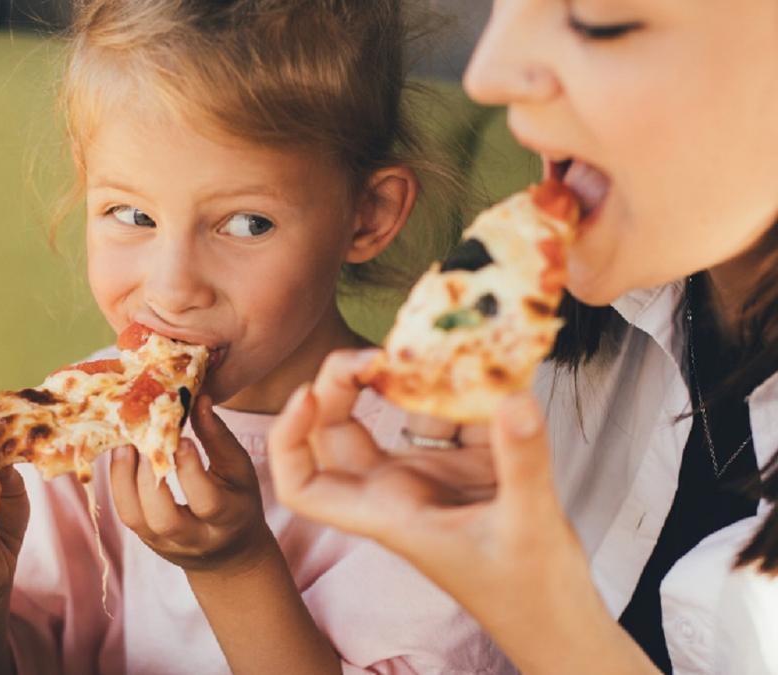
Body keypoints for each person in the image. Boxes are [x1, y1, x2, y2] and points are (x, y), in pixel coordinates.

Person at [0, 1, 516, 673]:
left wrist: (237, 566)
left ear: (366, 216)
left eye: (247, 223)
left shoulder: (438, 466)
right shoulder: (79, 441)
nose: (172, 288)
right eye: (131, 213)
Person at [268, 1, 778, 673]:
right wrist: (506, 586)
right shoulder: (541, 330)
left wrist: (539, 617)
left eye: (598, 16)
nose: (487, 75)